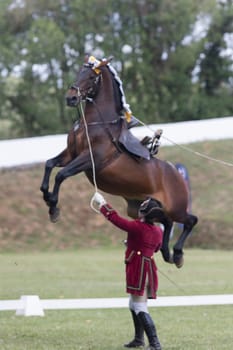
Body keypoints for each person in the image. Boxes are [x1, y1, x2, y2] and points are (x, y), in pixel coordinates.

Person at [93, 193, 164, 350]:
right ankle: (139, 339)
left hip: (139, 268)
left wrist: (103, 204)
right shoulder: (158, 231)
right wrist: (133, 244)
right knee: (133, 304)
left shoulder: (137, 226)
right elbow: (155, 248)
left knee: (139, 306)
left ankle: (154, 343)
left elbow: (116, 219)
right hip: (148, 267)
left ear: (143, 213)